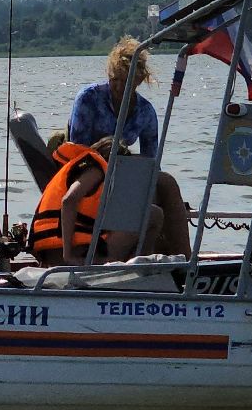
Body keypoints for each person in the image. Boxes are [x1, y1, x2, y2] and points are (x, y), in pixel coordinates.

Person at [65, 37, 193, 257]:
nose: (119, 86)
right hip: (90, 171)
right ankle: (138, 253)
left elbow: (152, 162)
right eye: (115, 79)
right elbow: (78, 151)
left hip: (124, 173)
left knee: (165, 182)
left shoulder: (145, 111)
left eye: (126, 81)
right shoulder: (88, 98)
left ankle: (185, 259)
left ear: (139, 80)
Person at [29, 137, 160, 266]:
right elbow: (69, 200)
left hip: (52, 253)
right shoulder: (95, 169)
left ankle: (136, 267)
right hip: (74, 256)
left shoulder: (77, 167)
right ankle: (140, 270)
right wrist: (68, 256)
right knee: (153, 214)